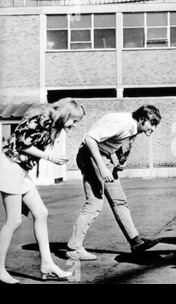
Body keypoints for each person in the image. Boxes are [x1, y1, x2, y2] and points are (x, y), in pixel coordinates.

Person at [0, 98, 85, 284]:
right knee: (13, 221)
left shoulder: (51, 124)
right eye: (74, 121)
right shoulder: (43, 118)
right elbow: (22, 143)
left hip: (20, 169)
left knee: (41, 213)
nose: (74, 125)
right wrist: (49, 157)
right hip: (9, 166)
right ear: (66, 114)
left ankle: (47, 263)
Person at [66, 105, 161, 261]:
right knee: (94, 202)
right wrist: (103, 168)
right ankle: (73, 248)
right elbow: (89, 139)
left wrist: (117, 162)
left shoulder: (134, 127)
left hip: (105, 157)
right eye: (152, 124)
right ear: (143, 119)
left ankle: (136, 242)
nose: (153, 128)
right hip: (90, 155)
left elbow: (113, 144)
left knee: (119, 201)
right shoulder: (121, 122)